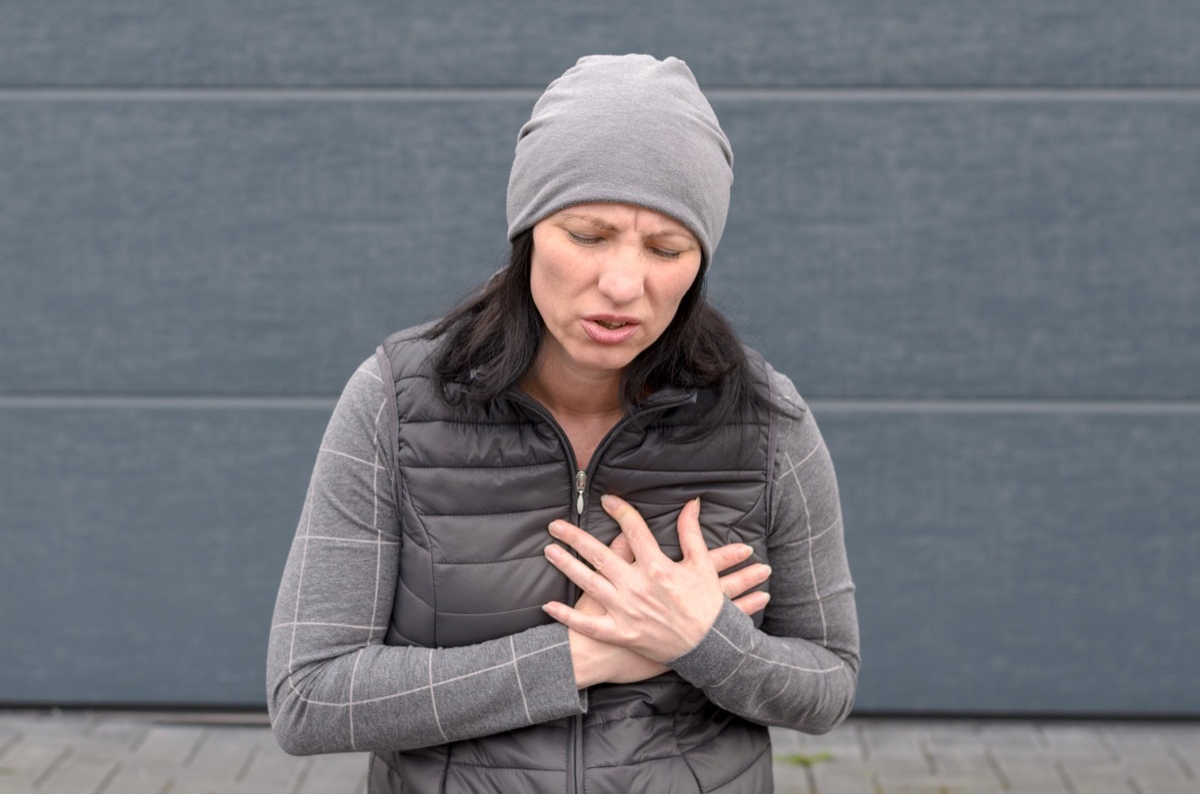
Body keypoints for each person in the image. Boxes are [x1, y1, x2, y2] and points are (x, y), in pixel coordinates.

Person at [267, 54, 859, 793]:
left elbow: (829, 682)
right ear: (529, 232)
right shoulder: (397, 402)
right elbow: (309, 696)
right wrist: (582, 656)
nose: (622, 283)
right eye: (588, 234)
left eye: (666, 248)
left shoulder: (766, 421)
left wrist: (705, 641)